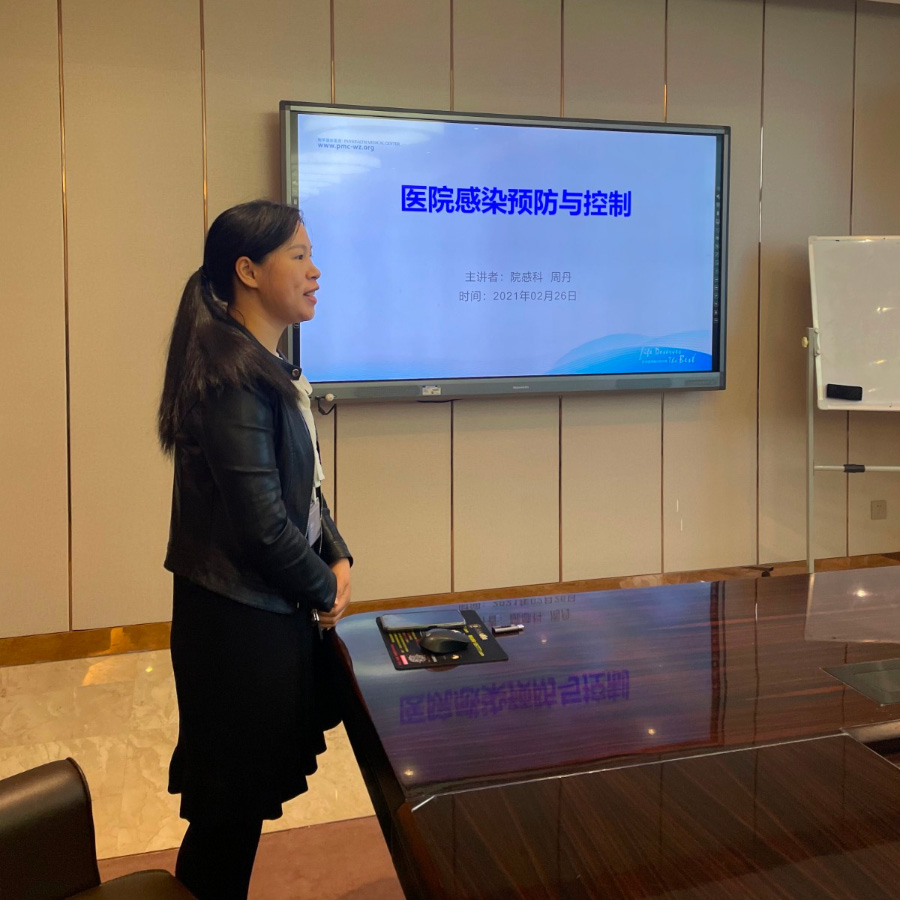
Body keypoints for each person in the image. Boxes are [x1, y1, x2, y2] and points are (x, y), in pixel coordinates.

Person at [157, 200, 352, 900]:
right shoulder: (232, 375)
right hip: (235, 627)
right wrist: (324, 588)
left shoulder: (262, 363)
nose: (314, 270)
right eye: (298, 256)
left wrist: (337, 555)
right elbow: (262, 525)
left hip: (263, 613)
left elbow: (305, 489)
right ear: (247, 270)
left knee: (234, 813)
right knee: (226, 817)